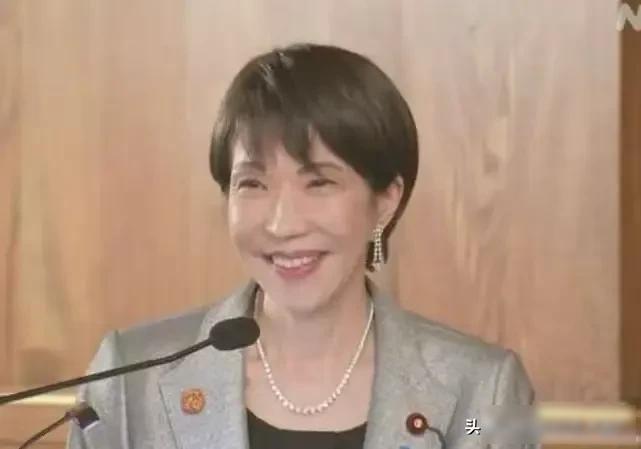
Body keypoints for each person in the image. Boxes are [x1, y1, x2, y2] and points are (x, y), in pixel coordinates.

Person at [67, 43, 538, 449]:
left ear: (385, 201)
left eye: (319, 183)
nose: (282, 224)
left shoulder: (483, 395)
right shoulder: (130, 379)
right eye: (253, 184)